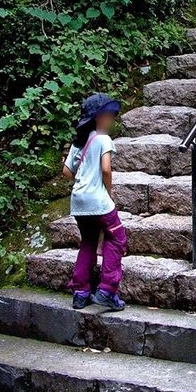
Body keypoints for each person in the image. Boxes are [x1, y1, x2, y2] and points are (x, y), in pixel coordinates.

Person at [61, 93, 127, 311]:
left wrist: (82, 180)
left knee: (88, 241)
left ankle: (80, 291)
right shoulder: (103, 139)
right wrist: (107, 191)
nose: (111, 120)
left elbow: (66, 171)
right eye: (109, 115)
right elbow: (106, 169)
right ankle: (108, 289)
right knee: (117, 239)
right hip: (98, 201)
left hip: (78, 201)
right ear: (99, 117)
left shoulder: (78, 142)